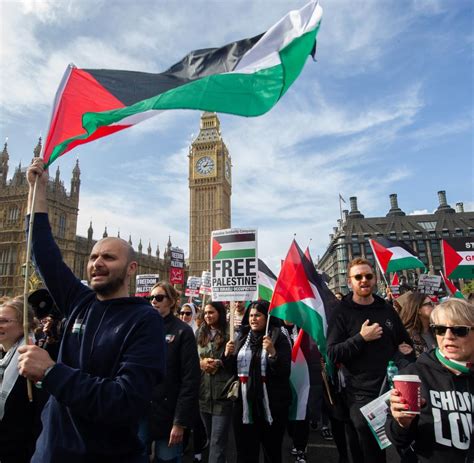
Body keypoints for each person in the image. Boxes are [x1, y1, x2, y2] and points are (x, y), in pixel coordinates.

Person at [18, 158, 166, 463]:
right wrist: (38, 190)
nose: (97, 262)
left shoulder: (144, 320)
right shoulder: (80, 301)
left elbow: (124, 401)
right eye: (94, 256)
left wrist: (50, 372)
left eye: (109, 257)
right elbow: (43, 251)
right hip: (49, 454)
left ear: (131, 269)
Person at [327, 257, 414, 463]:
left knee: (387, 447)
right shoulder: (341, 311)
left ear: (375, 279)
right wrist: (361, 338)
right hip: (358, 394)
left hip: (389, 390)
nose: (363, 280)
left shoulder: (386, 309)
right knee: (366, 448)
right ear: (350, 281)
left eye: (368, 276)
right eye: (358, 277)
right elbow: (332, 353)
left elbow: (405, 345)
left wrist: (404, 352)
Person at [386, 298, 474, 463]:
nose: (448, 336)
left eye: (459, 330)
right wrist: (402, 423)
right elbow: (397, 439)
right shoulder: (414, 376)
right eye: (440, 329)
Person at [224, 300, 292, 463]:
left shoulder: (279, 338)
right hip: (245, 405)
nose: (253, 319)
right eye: (251, 315)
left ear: (267, 317)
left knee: (272, 451)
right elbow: (232, 371)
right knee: (245, 452)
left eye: (258, 315)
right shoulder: (241, 338)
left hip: (272, 406)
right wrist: (227, 355)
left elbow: (284, 372)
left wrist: (273, 353)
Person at [145, 282, 200, 463]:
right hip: (141, 412)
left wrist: (180, 422)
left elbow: (190, 380)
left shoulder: (182, 331)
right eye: (151, 297)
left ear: (171, 301)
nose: (154, 301)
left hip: (168, 415)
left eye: (159, 298)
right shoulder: (141, 328)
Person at [0, 297, 47, 463]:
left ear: (23, 325)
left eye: (4, 321)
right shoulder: (2, 357)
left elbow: (38, 420)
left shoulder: (33, 363)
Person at [196, 301, 233, 463]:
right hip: (203, 394)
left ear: (220, 313)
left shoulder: (229, 333)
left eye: (211, 312)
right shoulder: (199, 332)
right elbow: (190, 357)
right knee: (212, 439)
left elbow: (236, 365)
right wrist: (201, 363)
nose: (207, 316)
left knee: (218, 440)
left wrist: (222, 359)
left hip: (222, 394)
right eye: (205, 313)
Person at [397, 292, 437, 357]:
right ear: (418, 310)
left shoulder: (436, 329)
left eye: (433, 303)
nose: (435, 306)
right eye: (430, 304)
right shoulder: (408, 335)